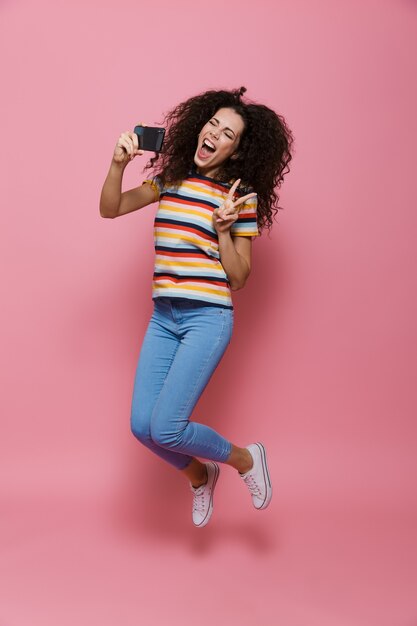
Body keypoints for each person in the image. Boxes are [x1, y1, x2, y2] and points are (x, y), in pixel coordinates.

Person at [99, 86, 294, 527]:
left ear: (238, 150)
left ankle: (245, 459)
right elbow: (111, 209)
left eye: (227, 133)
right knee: (141, 426)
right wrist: (117, 165)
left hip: (208, 318)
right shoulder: (169, 179)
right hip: (164, 317)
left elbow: (240, 278)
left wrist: (224, 229)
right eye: (213, 123)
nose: (214, 134)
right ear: (199, 126)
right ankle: (199, 473)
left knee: (166, 426)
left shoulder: (239, 199)